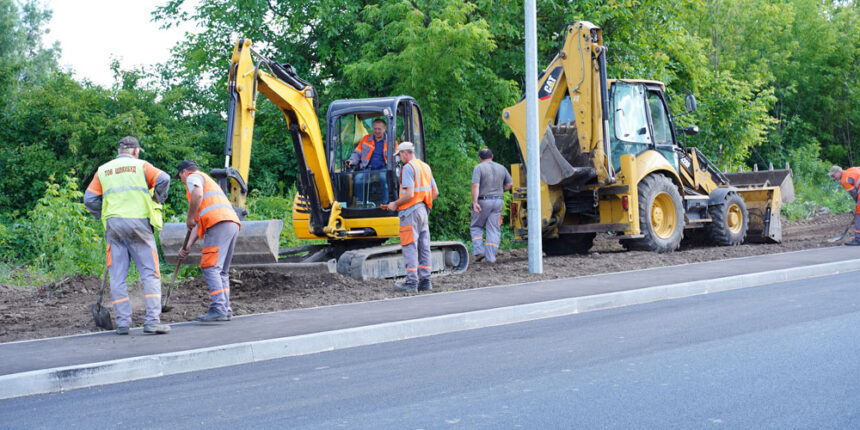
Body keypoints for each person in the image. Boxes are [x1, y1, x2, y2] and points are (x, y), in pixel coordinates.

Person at [84, 136, 171, 335]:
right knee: (150, 273)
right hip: (138, 223)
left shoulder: (103, 170)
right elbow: (164, 179)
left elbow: (89, 199)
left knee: (117, 276)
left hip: (114, 226)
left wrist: (102, 214)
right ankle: (152, 321)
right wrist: (158, 198)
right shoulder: (142, 166)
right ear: (135, 151)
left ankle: (123, 323)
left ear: (120, 150)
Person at [176, 160, 242, 321]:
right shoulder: (208, 183)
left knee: (210, 267)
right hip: (230, 223)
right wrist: (188, 246)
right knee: (222, 271)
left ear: (184, 172)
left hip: (217, 223)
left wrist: (189, 216)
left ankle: (218, 308)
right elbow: (198, 223)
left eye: (180, 177)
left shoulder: (193, 177)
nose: (182, 181)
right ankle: (225, 309)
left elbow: (197, 196)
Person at [381, 142, 438, 292]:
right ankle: (425, 281)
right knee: (424, 246)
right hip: (423, 211)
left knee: (410, 246)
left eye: (400, 155)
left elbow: (409, 194)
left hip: (410, 212)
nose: (399, 158)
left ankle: (411, 282)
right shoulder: (425, 167)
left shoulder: (408, 168)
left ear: (406, 153)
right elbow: (435, 192)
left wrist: (394, 204)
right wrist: (423, 206)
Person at [470, 148, 513, 262]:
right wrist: (500, 190)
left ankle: (479, 251)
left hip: (483, 201)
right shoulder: (502, 168)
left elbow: (475, 185)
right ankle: (490, 258)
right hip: (498, 201)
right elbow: (510, 184)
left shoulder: (478, 168)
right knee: (493, 229)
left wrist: (475, 202)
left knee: (476, 226)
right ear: (492, 156)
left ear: (480, 158)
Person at [346, 118, 389, 206]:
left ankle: (386, 203)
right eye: (375, 129)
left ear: (384, 129)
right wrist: (351, 161)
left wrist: (393, 163)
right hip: (368, 167)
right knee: (358, 179)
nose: (377, 131)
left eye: (379, 129)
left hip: (383, 168)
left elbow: (396, 155)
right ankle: (360, 203)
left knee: (384, 178)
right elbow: (357, 152)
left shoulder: (390, 141)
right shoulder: (366, 139)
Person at [829, 165, 860, 246]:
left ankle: (858, 239)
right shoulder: (851, 169)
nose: (833, 178)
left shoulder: (844, 180)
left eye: (833, 175)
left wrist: (857, 206)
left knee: (858, 217)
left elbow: (854, 194)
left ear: (839, 171)